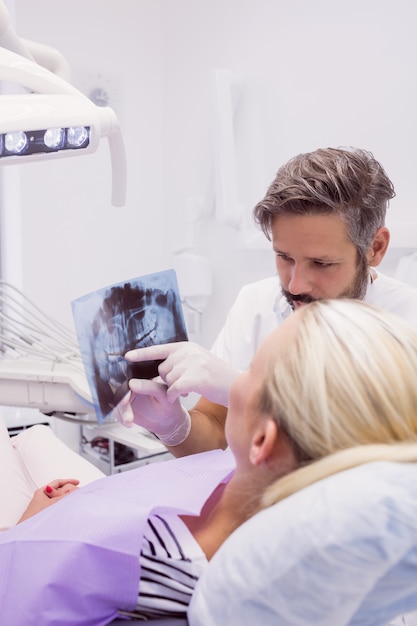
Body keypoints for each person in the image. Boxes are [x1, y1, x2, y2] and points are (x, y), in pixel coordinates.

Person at [2, 299, 417, 624]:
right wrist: (171, 426)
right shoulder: (266, 479)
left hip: (31, 543)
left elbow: (18, 588)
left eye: (250, 372)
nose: (231, 382)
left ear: (263, 441)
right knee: (32, 438)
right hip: (80, 509)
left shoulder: (156, 566)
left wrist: (32, 527)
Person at [115, 146, 417, 455]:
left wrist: (249, 392)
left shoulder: (408, 326)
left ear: (376, 248)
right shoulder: (256, 305)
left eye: (322, 264)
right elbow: (218, 430)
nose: (296, 285)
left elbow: (371, 460)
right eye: (284, 257)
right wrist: (172, 425)